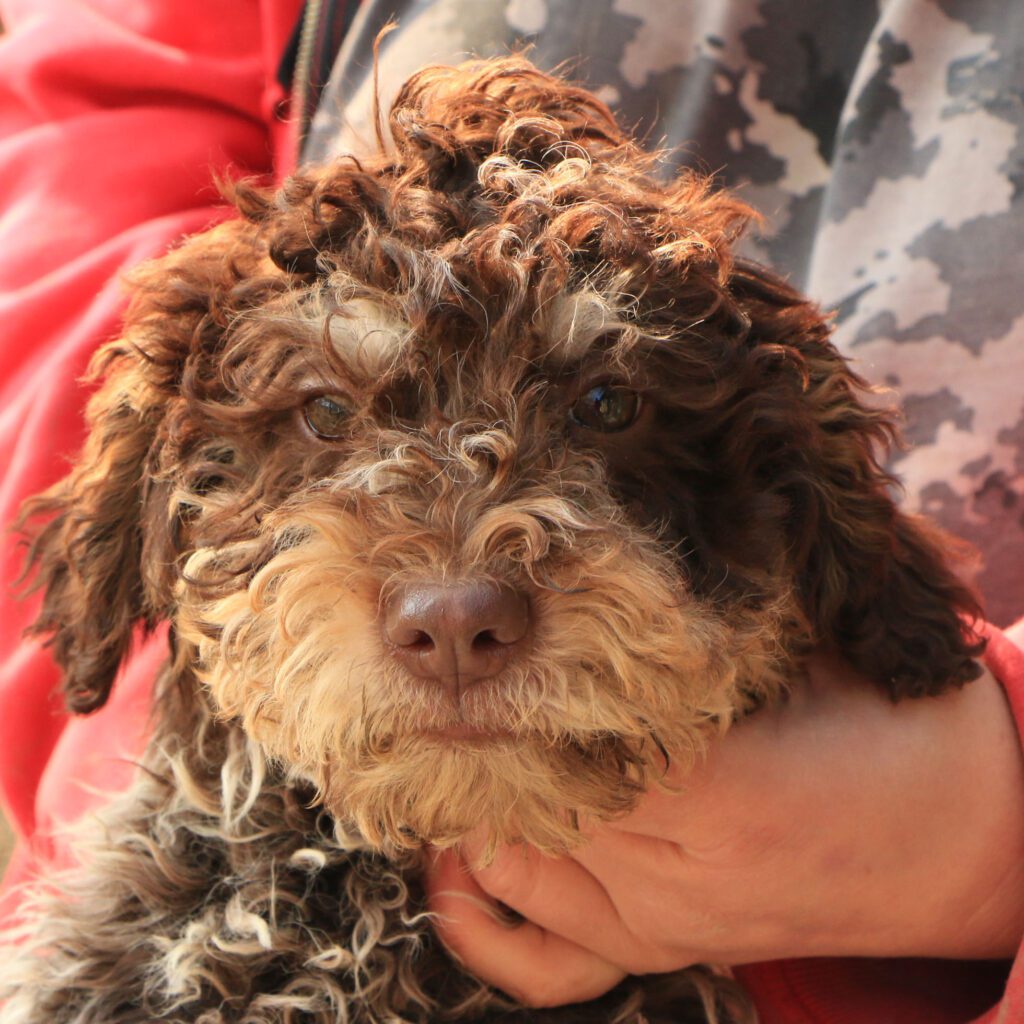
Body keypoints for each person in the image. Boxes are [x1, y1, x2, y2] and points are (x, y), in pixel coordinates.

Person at [0, 2, 1022, 1022]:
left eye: (607, 411)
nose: (457, 591)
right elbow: (86, 139)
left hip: (854, 895)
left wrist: (986, 816)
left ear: (815, 506)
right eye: (324, 414)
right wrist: (162, 725)